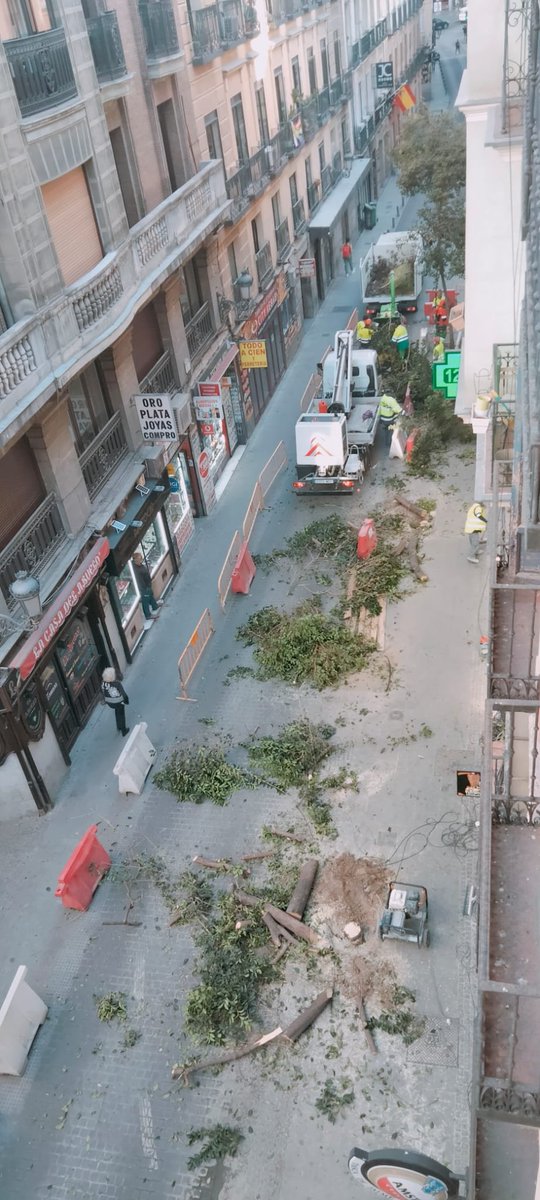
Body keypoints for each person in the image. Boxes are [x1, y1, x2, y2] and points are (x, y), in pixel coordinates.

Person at [132, 551, 163, 630]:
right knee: (145, 601)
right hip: (144, 587)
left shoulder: (139, 566)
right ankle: (148, 615)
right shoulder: (136, 570)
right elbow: (139, 581)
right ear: (135, 560)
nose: (141, 560)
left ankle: (154, 606)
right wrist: (145, 587)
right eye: (139, 559)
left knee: (150, 596)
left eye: (141, 558)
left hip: (147, 585)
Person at [101, 667, 130, 737]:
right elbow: (124, 694)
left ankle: (119, 726)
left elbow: (103, 692)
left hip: (110, 702)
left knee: (116, 711)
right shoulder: (117, 684)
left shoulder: (103, 683)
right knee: (121, 714)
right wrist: (126, 701)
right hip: (118, 701)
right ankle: (124, 730)